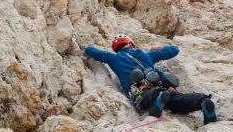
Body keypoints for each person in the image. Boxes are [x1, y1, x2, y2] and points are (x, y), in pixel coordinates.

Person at [84, 34, 217, 123]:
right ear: (131, 44)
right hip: (160, 84)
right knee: (178, 99)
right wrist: (158, 49)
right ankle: (202, 101)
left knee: (148, 96)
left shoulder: (113, 58)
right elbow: (174, 50)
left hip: (141, 89)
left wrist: (86, 47)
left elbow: (92, 51)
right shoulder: (146, 54)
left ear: (116, 49)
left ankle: (158, 101)